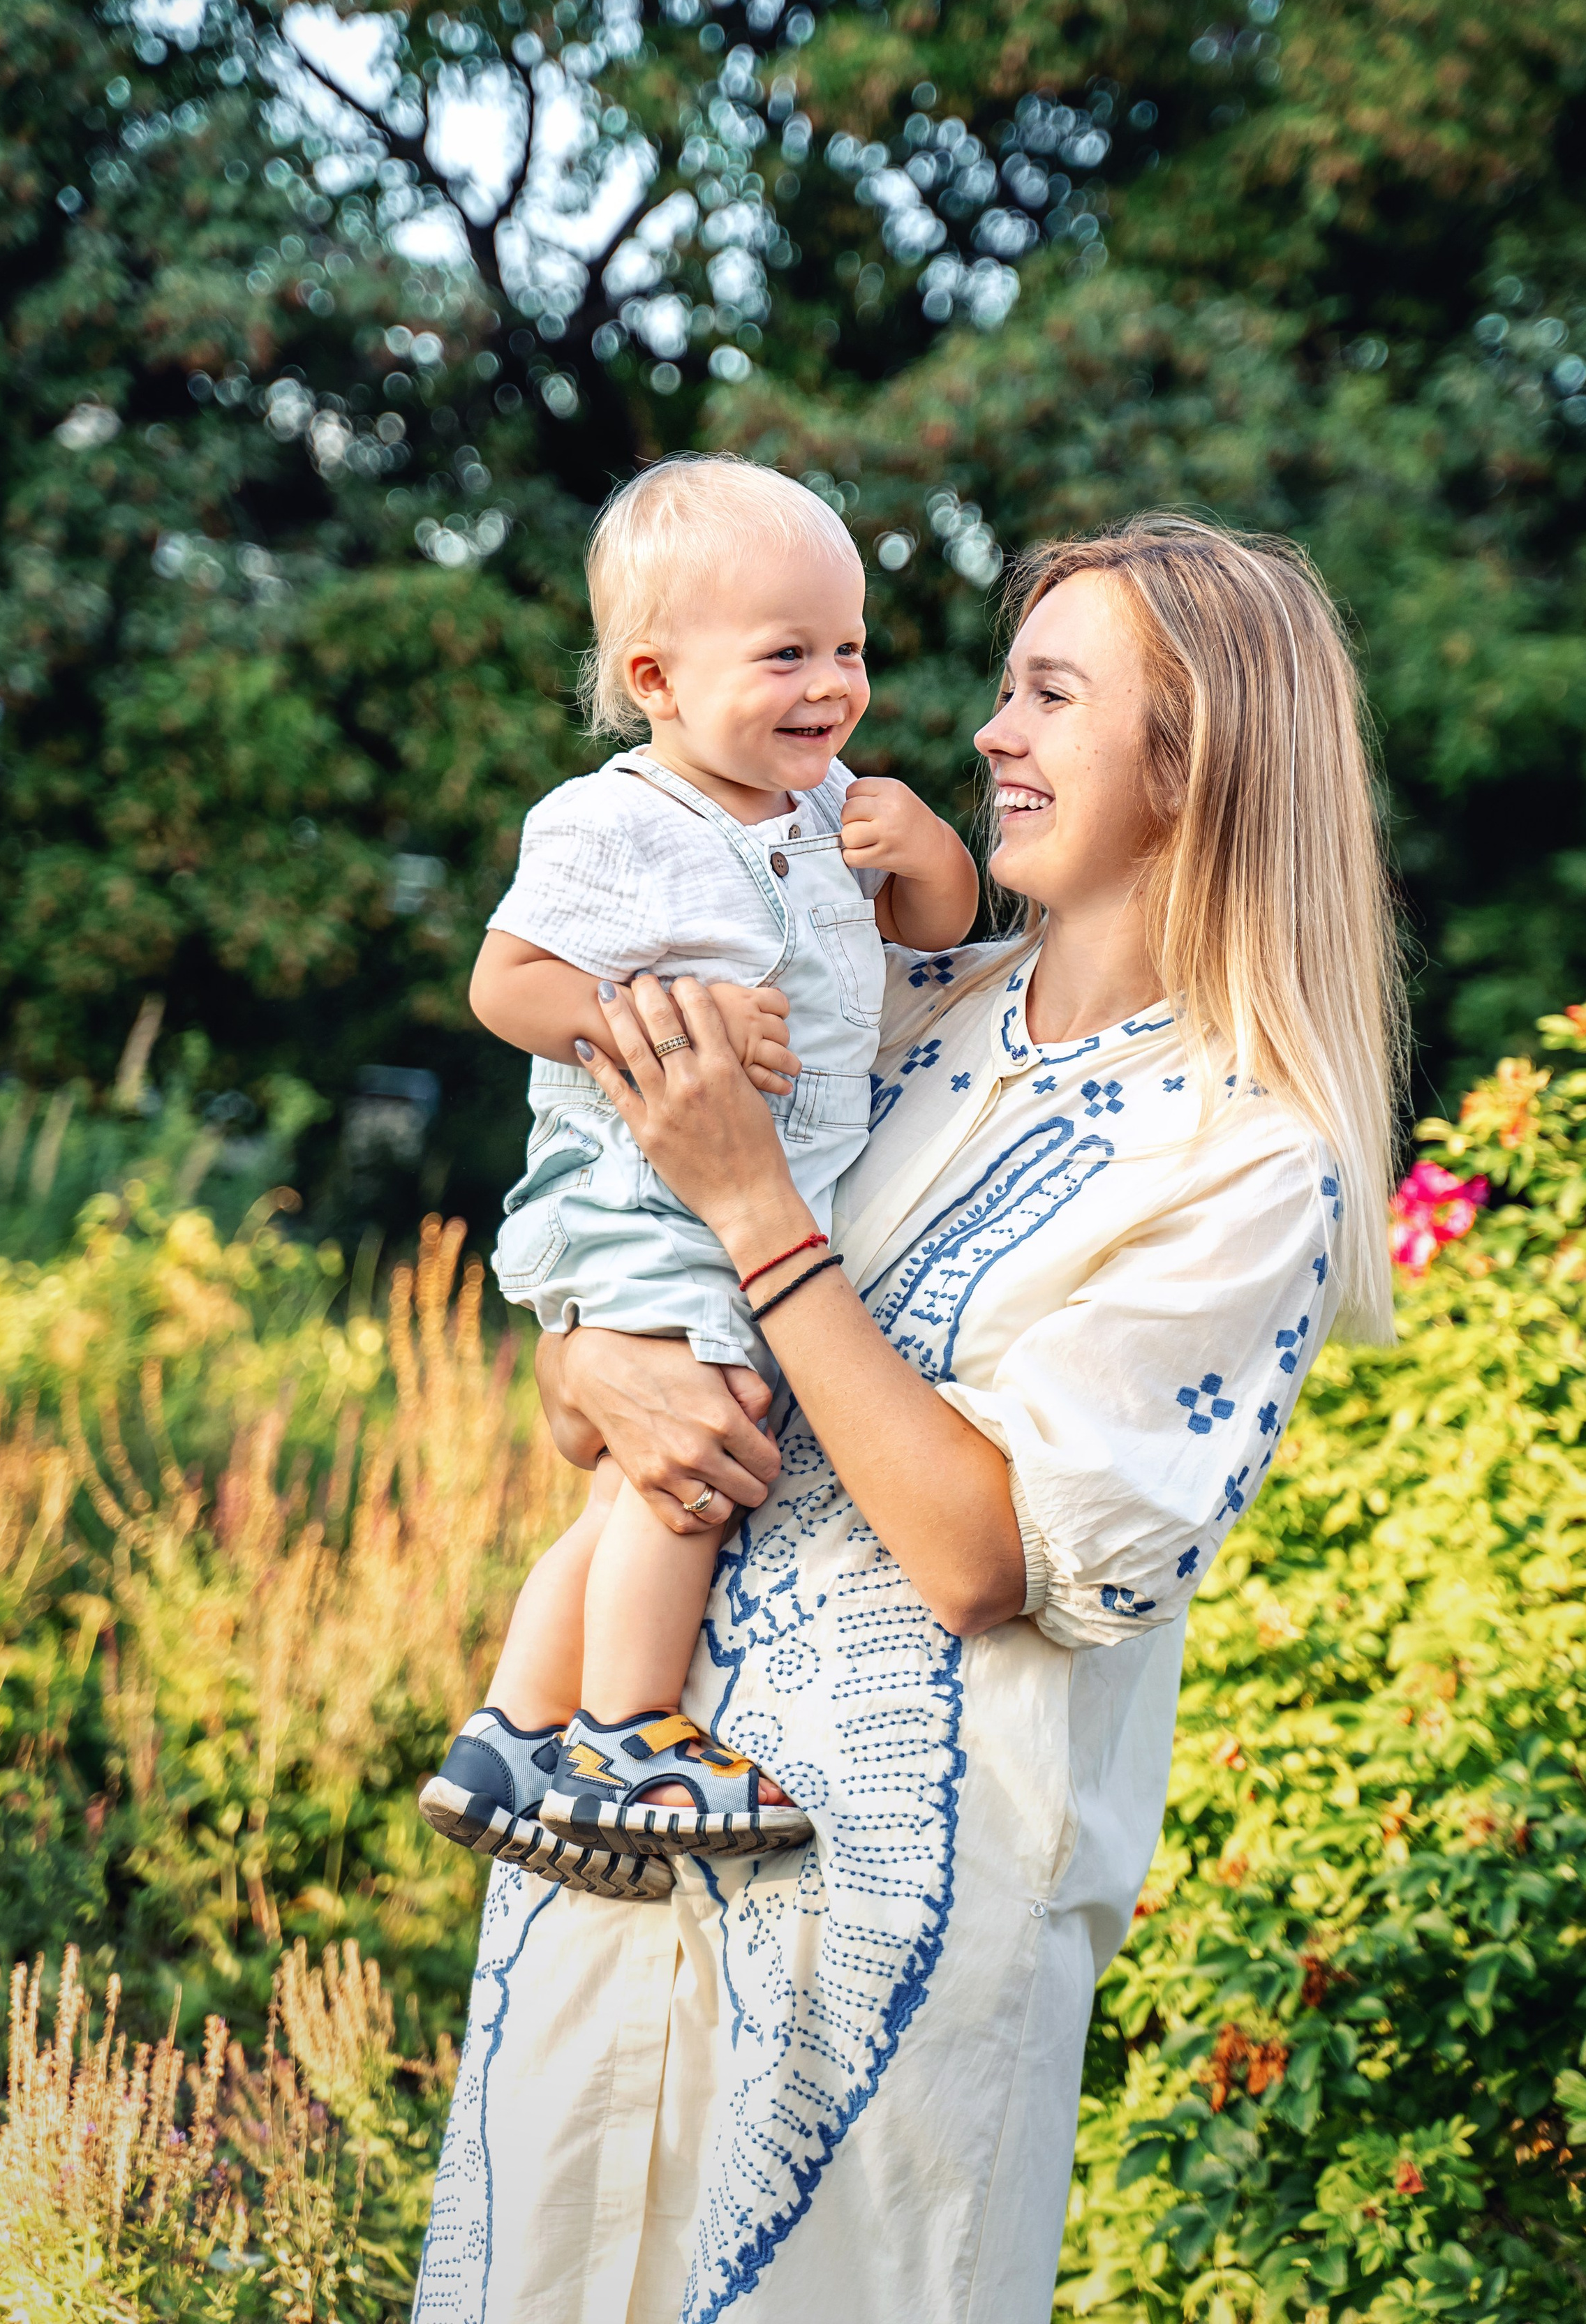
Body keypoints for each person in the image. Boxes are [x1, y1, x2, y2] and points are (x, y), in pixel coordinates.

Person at [413, 515, 1405, 2324]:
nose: (988, 735)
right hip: (627, 1853)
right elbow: (635, 1297)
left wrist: (751, 1213)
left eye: (1049, 695)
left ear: (1197, 760)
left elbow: (978, 1550)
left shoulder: (1249, 1159)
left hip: (875, 1947)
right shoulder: (900, 1010)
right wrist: (583, 1365)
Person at [418, 455, 977, 1886]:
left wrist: (924, 853)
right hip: (641, 1183)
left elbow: (933, 931)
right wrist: (651, 1020)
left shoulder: (824, 804)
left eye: (847, 648)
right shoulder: (615, 824)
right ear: (657, 678)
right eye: (785, 653)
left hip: (736, 1198)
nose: (830, 684)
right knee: (697, 1447)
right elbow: (506, 984)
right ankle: (626, 1732)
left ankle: (510, 1741)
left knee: (622, 1491)